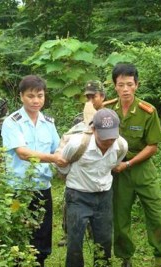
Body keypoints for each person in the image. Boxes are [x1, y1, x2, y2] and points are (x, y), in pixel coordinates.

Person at [106, 63, 161, 267]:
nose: (125, 89)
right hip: (118, 173)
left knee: (156, 214)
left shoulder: (147, 111)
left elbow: (153, 146)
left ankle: (160, 257)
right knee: (120, 217)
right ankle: (126, 258)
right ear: (114, 86)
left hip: (142, 170)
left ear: (137, 85)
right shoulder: (107, 110)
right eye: (121, 85)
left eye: (129, 84)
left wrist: (129, 164)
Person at [1, 75, 67, 267]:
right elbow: (22, 153)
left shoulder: (48, 122)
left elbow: (58, 148)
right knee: (18, 234)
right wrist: (54, 158)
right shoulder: (13, 122)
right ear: (21, 96)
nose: (36, 100)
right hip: (18, 189)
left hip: (42, 187)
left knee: (42, 235)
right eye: (31, 96)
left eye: (40, 95)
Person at [57, 108, 127, 267]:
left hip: (104, 197)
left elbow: (115, 164)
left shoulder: (121, 145)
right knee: (75, 241)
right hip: (77, 196)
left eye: (112, 138)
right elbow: (62, 166)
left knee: (105, 240)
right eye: (104, 138)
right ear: (93, 129)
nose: (108, 143)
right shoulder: (77, 144)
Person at [57, 80, 106, 247]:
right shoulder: (79, 119)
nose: (90, 101)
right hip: (80, 170)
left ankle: (95, 233)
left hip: (101, 170)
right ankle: (68, 232)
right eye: (88, 97)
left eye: (94, 96)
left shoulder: (110, 117)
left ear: (102, 96)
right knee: (70, 201)